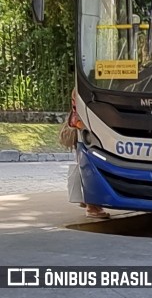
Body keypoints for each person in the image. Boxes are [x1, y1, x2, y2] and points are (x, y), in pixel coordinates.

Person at [65, 90, 110, 219]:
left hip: (83, 129)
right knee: (90, 166)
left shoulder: (80, 87)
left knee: (84, 165)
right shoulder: (85, 89)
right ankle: (92, 206)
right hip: (86, 130)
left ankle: (88, 201)